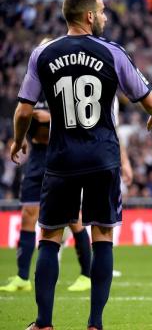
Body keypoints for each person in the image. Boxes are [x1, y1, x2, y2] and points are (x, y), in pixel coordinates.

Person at [11, 0, 152, 330]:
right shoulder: (112, 52)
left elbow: (23, 110)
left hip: (61, 158)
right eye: (103, 11)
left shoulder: (43, 54)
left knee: (50, 238)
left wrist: (18, 140)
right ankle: (95, 324)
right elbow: (148, 99)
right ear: (89, 16)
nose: (106, 16)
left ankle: (43, 323)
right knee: (102, 237)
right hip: (103, 158)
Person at [0, 94, 93, 293]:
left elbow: (53, 118)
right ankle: (22, 277)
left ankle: (87, 275)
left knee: (73, 218)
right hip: (37, 159)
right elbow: (22, 114)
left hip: (62, 156)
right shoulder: (32, 90)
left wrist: (38, 115)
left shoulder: (63, 88)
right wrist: (22, 133)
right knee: (27, 215)